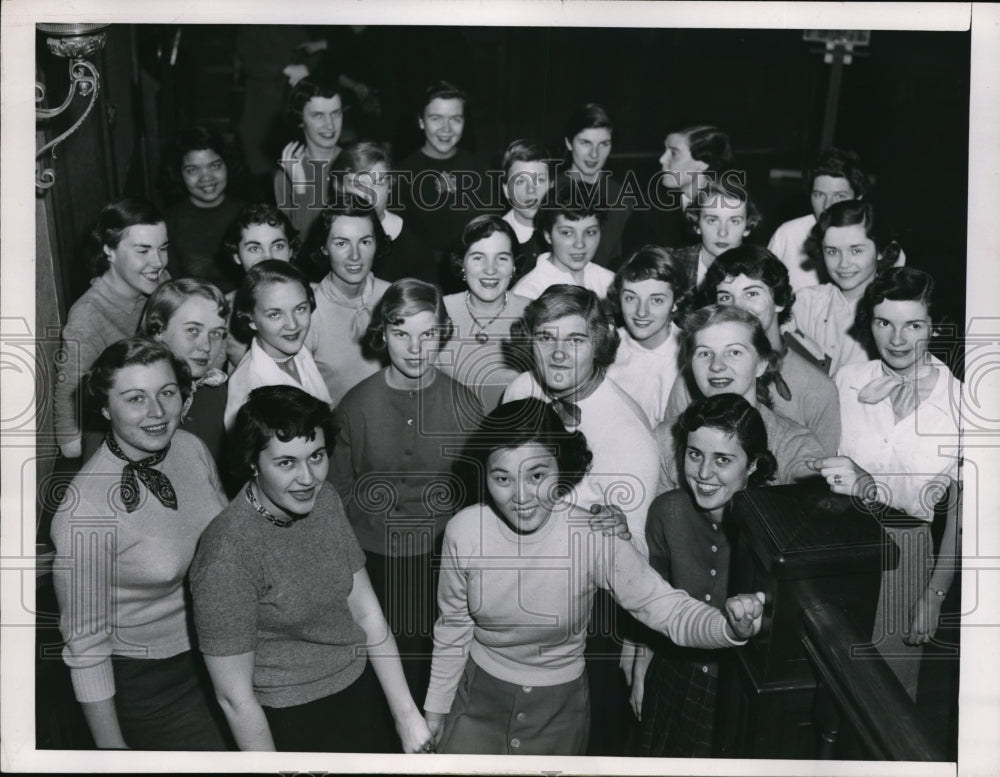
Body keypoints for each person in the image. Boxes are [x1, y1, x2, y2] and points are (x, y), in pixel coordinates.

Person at [423, 398, 766, 755]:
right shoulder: (463, 532)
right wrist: (435, 710)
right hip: (475, 698)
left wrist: (728, 627)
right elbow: (453, 629)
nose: (521, 496)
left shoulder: (593, 535)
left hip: (559, 711)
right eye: (502, 478)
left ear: (561, 466)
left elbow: (666, 609)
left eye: (537, 475)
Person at [188, 385, 433, 753]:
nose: (308, 478)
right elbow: (235, 700)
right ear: (253, 462)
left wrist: (406, 716)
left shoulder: (325, 501)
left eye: (316, 456)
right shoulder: (227, 554)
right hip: (290, 719)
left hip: (360, 691)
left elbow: (366, 613)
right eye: (286, 462)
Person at [502, 283, 659, 755]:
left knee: (581, 736)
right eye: (546, 337)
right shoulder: (520, 389)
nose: (557, 353)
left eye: (574, 340)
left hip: (588, 612)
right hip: (515, 588)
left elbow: (632, 564)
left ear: (600, 343)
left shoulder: (629, 434)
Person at [50, 337, 228, 750]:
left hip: (222, 648)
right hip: (151, 684)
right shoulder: (84, 511)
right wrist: (113, 753)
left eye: (167, 392)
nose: (158, 412)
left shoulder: (191, 448)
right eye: (135, 398)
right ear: (104, 407)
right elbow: (86, 646)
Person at [329, 279, 485, 704]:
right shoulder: (355, 405)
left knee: (434, 676)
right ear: (383, 334)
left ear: (443, 334)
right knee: (372, 682)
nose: (415, 348)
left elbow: (479, 500)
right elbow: (334, 495)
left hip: (441, 563)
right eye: (401, 333)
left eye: (427, 334)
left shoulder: (466, 404)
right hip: (369, 564)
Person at [808, 267, 961, 700]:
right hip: (834, 544)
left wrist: (932, 595)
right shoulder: (847, 380)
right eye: (883, 323)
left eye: (913, 325)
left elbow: (961, 519)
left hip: (906, 556)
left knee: (885, 696)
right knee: (820, 686)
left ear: (935, 327)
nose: (897, 339)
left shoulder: (962, 404)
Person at [632, 393, 777, 757]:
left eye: (723, 460)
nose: (703, 473)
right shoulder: (668, 511)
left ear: (754, 465)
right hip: (672, 675)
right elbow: (652, 604)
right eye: (694, 454)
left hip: (734, 689)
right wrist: (639, 673)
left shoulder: (775, 529)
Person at [664, 244, 841, 455]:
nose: (737, 307)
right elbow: (671, 456)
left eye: (751, 293)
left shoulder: (817, 389)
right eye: (725, 297)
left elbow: (818, 480)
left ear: (779, 301)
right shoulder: (697, 375)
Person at [655, 304, 825, 492]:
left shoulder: (793, 444)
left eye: (734, 352)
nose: (716, 366)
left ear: (761, 364)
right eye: (704, 353)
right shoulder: (666, 438)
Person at [54, 198, 170, 462]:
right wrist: (72, 444)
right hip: (117, 429)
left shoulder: (161, 281)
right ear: (110, 251)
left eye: (163, 248)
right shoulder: (88, 314)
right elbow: (68, 388)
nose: (158, 262)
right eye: (143, 251)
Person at [395, 80, 494, 287]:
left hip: (472, 278)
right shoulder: (402, 174)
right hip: (419, 281)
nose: (446, 129)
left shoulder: (480, 170)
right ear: (421, 121)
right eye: (436, 118)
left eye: (455, 119)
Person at [294, 197, 391, 405]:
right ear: (324, 248)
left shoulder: (394, 297)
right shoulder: (308, 311)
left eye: (365, 242)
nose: (355, 255)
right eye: (341, 243)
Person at [788, 199, 902, 376]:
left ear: (880, 251)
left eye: (856, 250)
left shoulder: (897, 310)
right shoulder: (805, 304)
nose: (843, 263)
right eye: (832, 251)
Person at [767, 148, 905, 292]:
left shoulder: (880, 244)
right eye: (819, 195)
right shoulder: (787, 234)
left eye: (839, 195)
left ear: (858, 197)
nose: (827, 205)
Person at [137, 278, 231, 477]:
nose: (206, 346)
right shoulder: (130, 396)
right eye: (192, 330)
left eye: (216, 333)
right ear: (158, 329)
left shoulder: (214, 390)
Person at [225, 260, 330, 430]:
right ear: (250, 319)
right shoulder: (252, 389)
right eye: (275, 314)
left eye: (300, 309)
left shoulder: (297, 350)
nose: (293, 325)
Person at [441, 215, 531, 410]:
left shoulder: (534, 316)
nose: (490, 270)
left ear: (514, 265)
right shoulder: (437, 312)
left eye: (502, 258)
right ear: (461, 264)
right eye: (478, 258)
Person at [327, 140, 435, 283]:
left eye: (378, 183)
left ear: (390, 186)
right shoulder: (324, 234)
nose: (369, 195)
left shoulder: (413, 247)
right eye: (358, 184)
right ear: (339, 187)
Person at [605, 246, 688, 427]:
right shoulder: (605, 347)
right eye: (631, 298)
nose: (641, 312)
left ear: (676, 302)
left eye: (656, 300)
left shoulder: (691, 354)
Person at [160, 125, 246, 290]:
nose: (206, 178)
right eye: (193, 170)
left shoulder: (248, 214)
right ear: (179, 173)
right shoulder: (169, 222)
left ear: (227, 165)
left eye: (215, 166)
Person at [625, 125, 734, 253]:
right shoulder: (649, 207)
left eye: (674, 153)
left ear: (703, 162)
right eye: (665, 151)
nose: (662, 159)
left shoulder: (734, 208)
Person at [218, 203, 299, 368]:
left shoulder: (317, 298)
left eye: (278, 246)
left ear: (290, 250)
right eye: (254, 248)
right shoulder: (222, 313)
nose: (268, 258)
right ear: (236, 256)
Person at [556, 103, 632, 269]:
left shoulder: (620, 195)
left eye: (603, 144)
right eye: (585, 143)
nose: (594, 154)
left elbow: (615, 258)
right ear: (569, 143)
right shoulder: (549, 190)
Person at [511, 183, 615, 301]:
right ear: (548, 235)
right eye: (567, 233)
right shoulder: (527, 294)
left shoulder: (610, 283)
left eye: (590, 232)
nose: (580, 244)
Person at [273, 74, 345, 238]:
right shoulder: (285, 176)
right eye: (318, 115)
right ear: (300, 120)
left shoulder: (358, 163)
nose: (330, 125)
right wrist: (300, 188)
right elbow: (298, 243)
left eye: (336, 113)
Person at [670, 176, 761, 289]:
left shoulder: (760, 275)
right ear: (697, 225)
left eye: (734, 221)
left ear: (747, 228)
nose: (722, 232)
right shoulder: (672, 265)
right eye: (712, 220)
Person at [500, 139, 551, 274]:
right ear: (506, 190)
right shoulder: (497, 238)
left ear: (551, 186)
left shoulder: (564, 233)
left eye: (539, 180)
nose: (531, 190)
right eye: (520, 181)